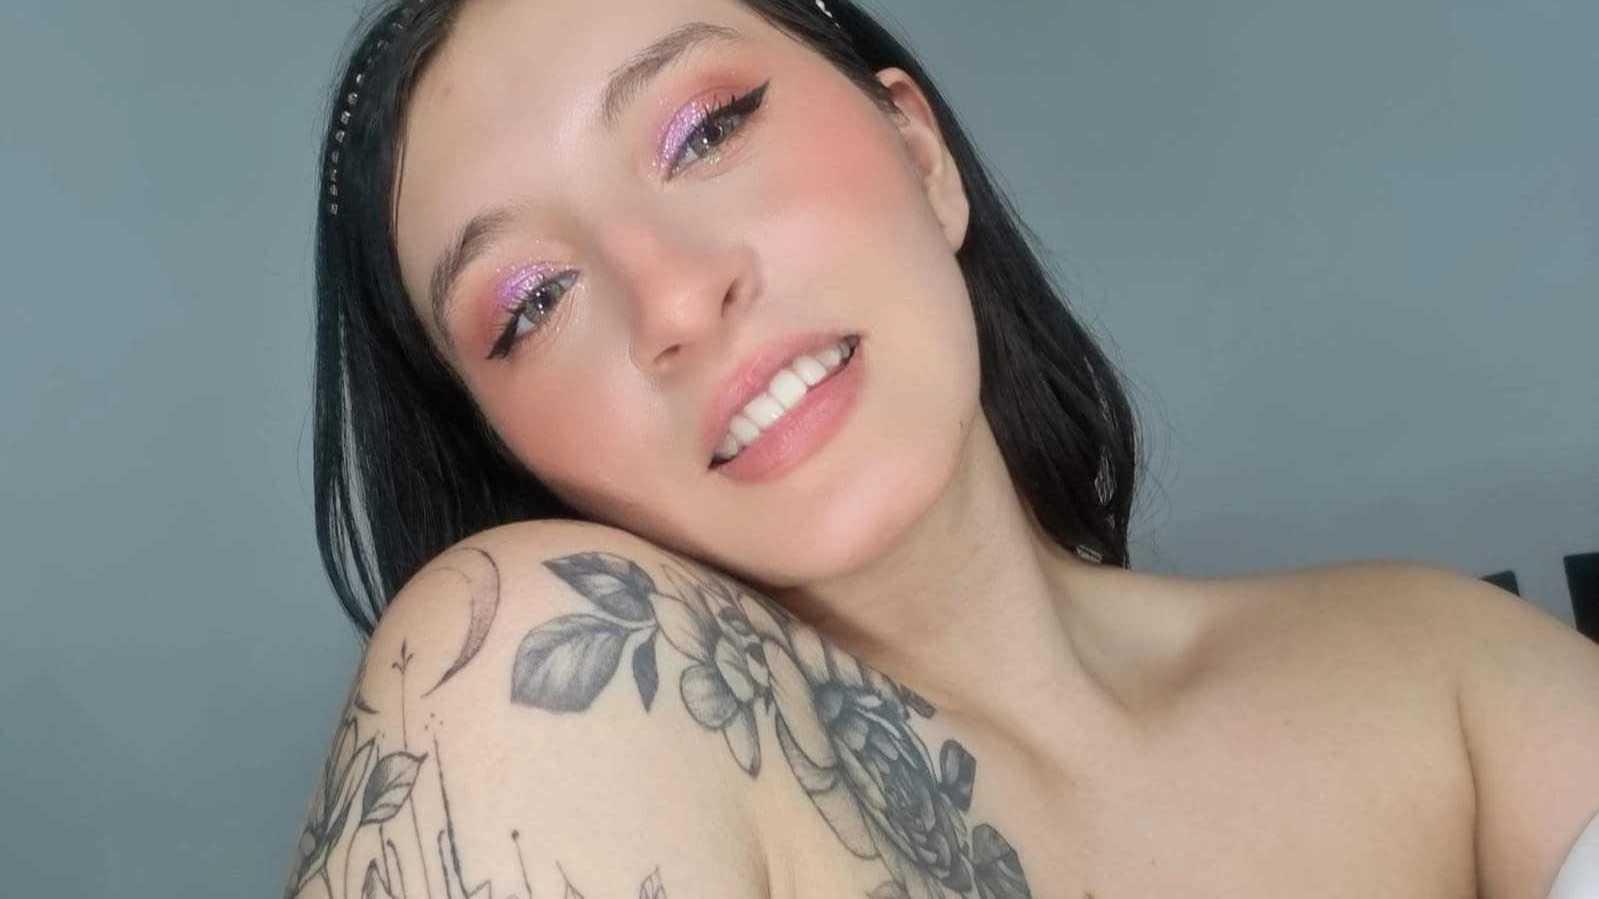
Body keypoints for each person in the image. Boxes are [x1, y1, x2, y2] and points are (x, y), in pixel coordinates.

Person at [284, 1, 1599, 897]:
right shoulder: (523, 670)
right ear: (507, 448)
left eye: (705, 131)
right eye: (532, 304)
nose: (674, 299)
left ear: (920, 152)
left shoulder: (1438, 673)